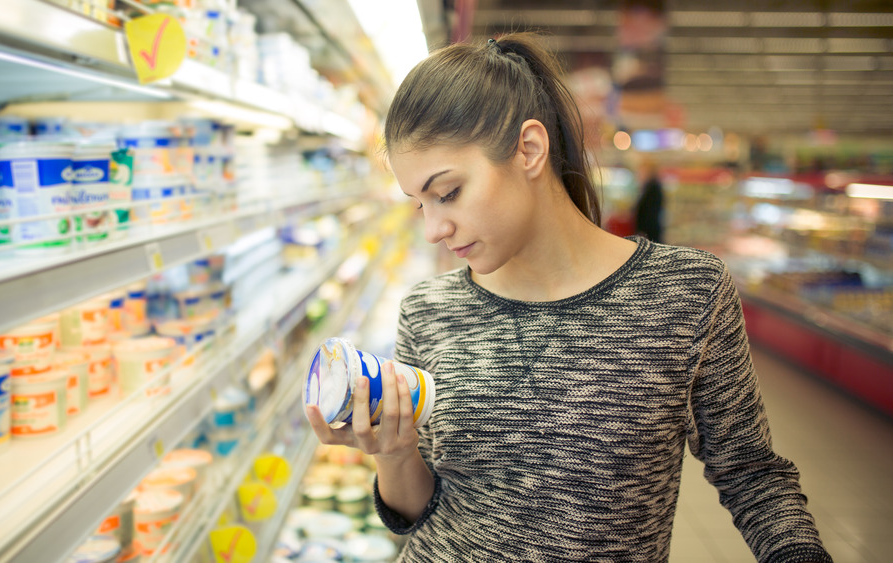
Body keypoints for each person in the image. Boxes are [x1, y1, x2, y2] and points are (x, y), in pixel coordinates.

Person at [305, 32, 831, 563]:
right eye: (420, 204)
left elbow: (753, 476)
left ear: (529, 150)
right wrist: (394, 454)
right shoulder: (428, 310)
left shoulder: (686, 293)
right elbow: (417, 513)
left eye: (448, 193)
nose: (433, 229)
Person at [634, 162, 665, 243]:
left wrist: (643, 231)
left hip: (649, 231)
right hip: (649, 230)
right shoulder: (649, 187)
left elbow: (649, 212)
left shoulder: (653, 188)